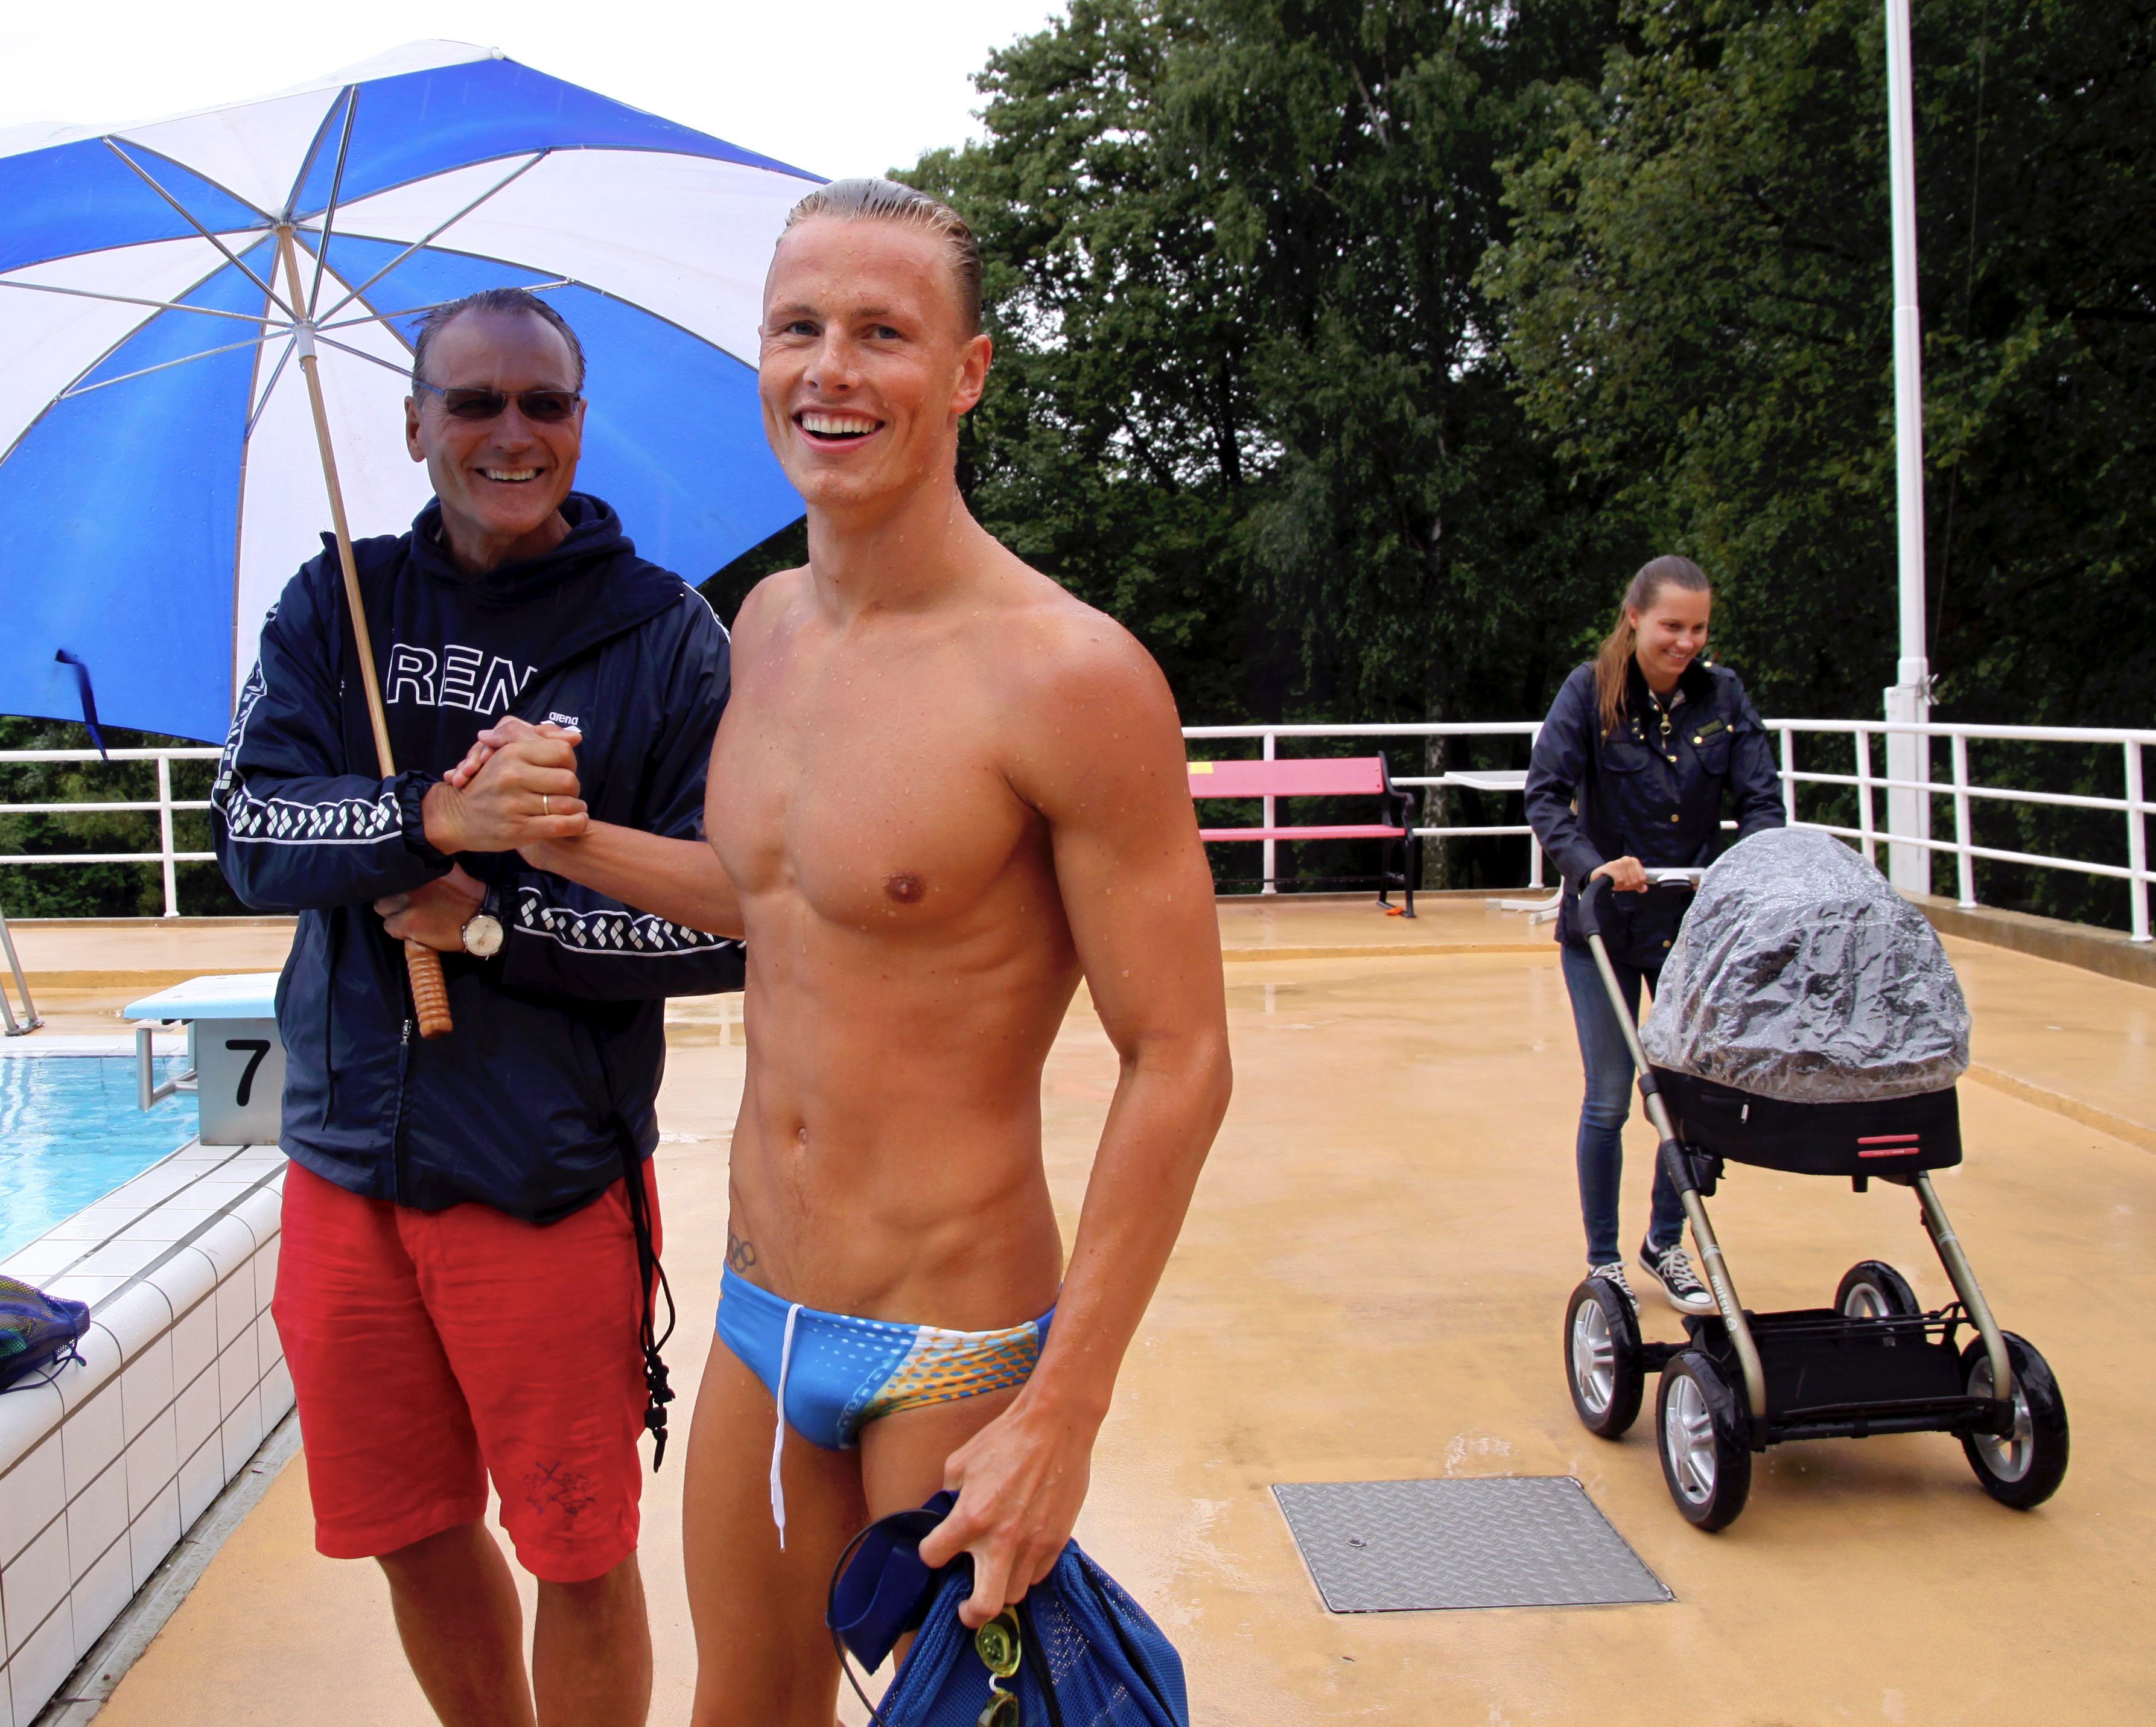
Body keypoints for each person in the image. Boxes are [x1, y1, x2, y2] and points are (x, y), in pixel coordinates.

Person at [455, 177, 1233, 1725]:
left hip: (949, 1338)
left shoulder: (1066, 674)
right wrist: (557, 837)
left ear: (967, 371)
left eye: (883, 332)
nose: (830, 368)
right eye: (797, 326)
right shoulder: (764, 626)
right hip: (759, 1312)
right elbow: (780, 899)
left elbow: (1179, 1056)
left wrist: (1063, 1412)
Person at [212, 287, 740, 1727]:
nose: (512, 432)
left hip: (544, 1175)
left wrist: (499, 921)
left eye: (542, 403)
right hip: (346, 1161)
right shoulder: (336, 600)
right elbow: (253, 830)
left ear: (579, 422)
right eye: (473, 402)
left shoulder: (663, 635)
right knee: (405, 1525)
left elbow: (725, 922)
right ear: (413, 426)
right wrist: (430, 816)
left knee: (576, 1544)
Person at [1524, 555, 1784, 1314]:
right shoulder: (1589, 693)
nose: (1686, 643)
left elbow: (1762, 803)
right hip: (1604, 927)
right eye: (1672, 626)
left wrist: (1742, 871)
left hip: (1692, 931)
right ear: (1634, 617)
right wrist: (1594, 867)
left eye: (1698, 628)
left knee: (1686, 1101)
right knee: (1609, 1099)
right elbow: (1546, 797)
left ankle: (1667, 1244)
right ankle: (1604, 1260)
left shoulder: (1724, 696)